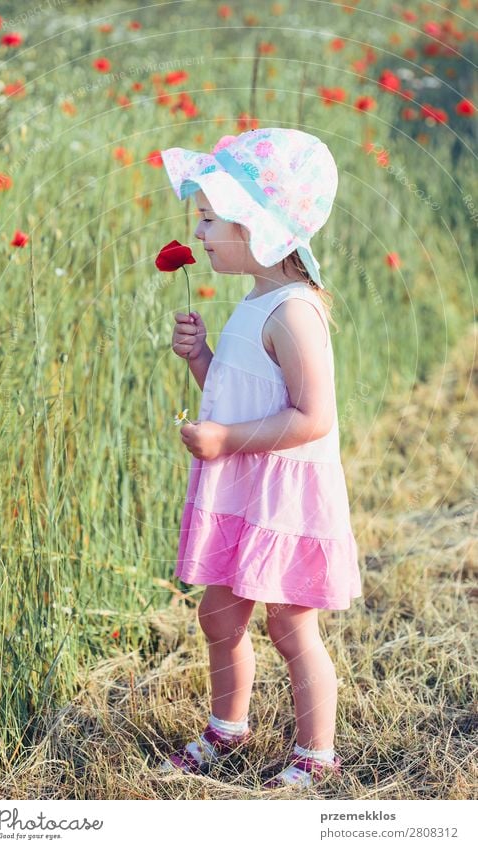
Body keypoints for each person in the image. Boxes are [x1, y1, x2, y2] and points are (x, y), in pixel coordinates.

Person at [158, 128, 362, 790]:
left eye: (211, 216)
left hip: (280, 491)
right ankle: (227, 727)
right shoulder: (251, 301)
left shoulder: (293, 312)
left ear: (258, 229)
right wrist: (199, 360)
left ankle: (314, 752)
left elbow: (312, 418)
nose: (199, 227)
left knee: (288, 621)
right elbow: (242, 396)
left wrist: (221, 441)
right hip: (243, 485)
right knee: (217, 614)